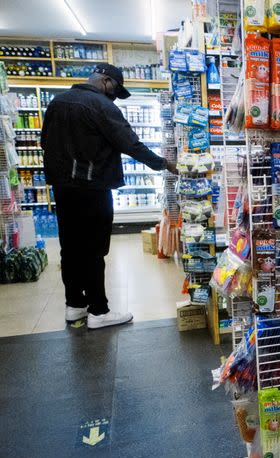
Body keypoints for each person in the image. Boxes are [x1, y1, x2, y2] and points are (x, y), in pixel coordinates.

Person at [41, 63, 178, 330]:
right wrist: (164, 164)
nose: (115, 97)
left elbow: (45, 142)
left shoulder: (57, 102)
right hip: (93, 188)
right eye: (115, 90)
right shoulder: (101, 106)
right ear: (105, 81)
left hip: (63, 188)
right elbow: (130, 143)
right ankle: (98, 310)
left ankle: (74, 306)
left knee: (70, 248)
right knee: (94, 249)